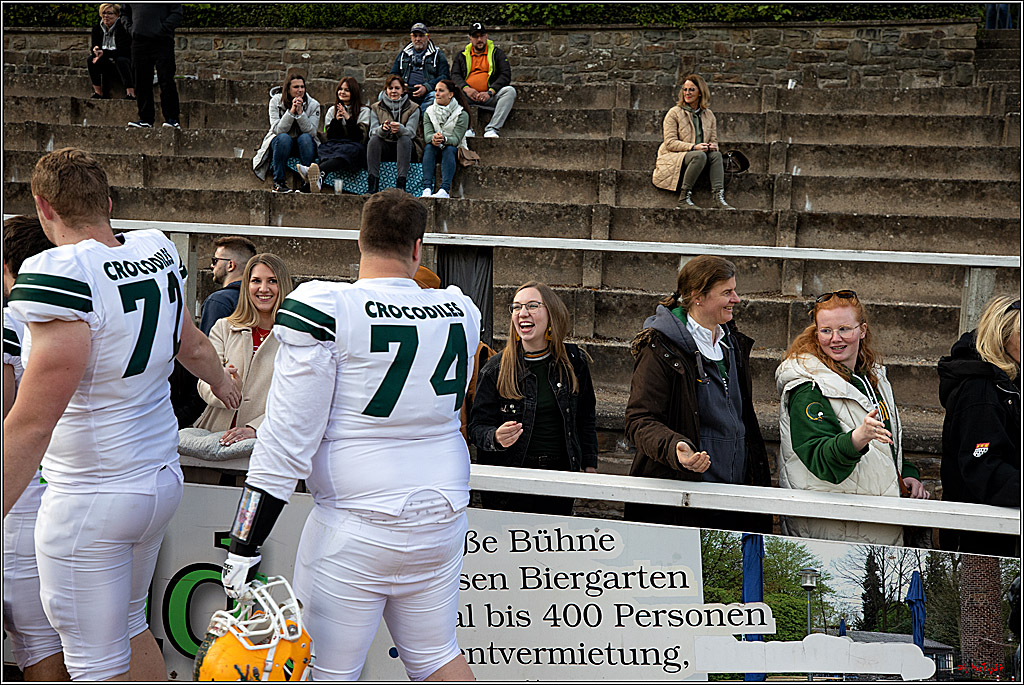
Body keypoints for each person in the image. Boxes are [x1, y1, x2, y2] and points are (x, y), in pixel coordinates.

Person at [220, 189, 480, 681]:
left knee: (326, 671)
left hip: (357, 522)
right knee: (438, 656)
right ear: (419, 248)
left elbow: (284, 445)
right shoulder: (460, 311)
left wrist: (244, 542)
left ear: (359, 240)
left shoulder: (329, 307)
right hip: (442, 516)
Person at [3, 148, 240, 680]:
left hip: (92, 496)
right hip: (156, 479)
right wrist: (224, 382)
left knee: (93, 665)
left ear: (44, 208)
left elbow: (32, 420)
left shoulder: (61, 272)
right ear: (107, 202)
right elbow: (192, 344)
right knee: (133, 630)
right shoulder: (156, 252)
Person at [624, 255, 771, 533]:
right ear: (697, 296)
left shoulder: (733, 344)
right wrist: (675, 448)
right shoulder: (659, 347)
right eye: (727, 292)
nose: (736, 299)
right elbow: (638, 421)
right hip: (682, 501)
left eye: (734, 290)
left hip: (734, 498)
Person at [776, 289, 930, 546]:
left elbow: (887, 445)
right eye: (825, 331)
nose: (835, 339)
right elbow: (821, 460)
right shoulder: (807, 388)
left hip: (873, 524)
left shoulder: (873, 377)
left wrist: (907, 475)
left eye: (845, 329)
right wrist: (858, 438)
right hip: (831, 531)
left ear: (863, 330)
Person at [2, 216, 69, 682]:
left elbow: (7, 413)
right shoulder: (62, 310)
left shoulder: (11, 317)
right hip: (52, 492)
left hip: (15, 496)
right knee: (41, 643)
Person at [469, 281, 598, 516]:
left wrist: (589, 464)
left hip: (558, 480)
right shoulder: (495, 368)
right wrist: (495, 437)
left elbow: (585, 417)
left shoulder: (574, 362)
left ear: (552, 313)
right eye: (516, 307)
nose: (522, 313)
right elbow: (476, 428)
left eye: (532, 305)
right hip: (509, 483)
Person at [938, 295, 1020, 556]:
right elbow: (983, 469)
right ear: (1002, 336)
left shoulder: (1010, 381)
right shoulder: (980, 391)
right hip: (983, 539)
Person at [194, 254, 293, 445]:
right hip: (214, 437)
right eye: (256, 281)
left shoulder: (295, 336)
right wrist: (221, 384)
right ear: (247, 286)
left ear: (283, 286)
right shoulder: (223, 328)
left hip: (267, 443)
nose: (263, 289)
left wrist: (258, 428)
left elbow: (299, 397)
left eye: (272, 281)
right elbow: (203, 383)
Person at [652, 74, 734, 210]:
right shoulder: (674, 113)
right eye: (685, 89)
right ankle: (683, 198)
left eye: (691, 90)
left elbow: (714, 140)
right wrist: (694, 147)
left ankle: (718, 197)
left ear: (700, 93)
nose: (687, 93)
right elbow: (670, 143)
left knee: (716, 156)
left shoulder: (709, 115)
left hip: (699, 156)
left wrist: (713, 146)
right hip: (675, 156)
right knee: (699, 155)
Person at [296, 77, 370, 194]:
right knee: (326, 148)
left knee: (347, 151)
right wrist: (336, 121)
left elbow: (360, 137)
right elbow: (331, 136)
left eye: (347, 90)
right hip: (336, 143)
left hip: (354, 145)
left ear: (353, 92)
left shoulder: (364, 111)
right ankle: (316, 179)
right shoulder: (332, 110)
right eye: (340, 89)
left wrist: (348, 118)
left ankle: (316, 173)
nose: (343, 92)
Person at [253, 71, 321, 194]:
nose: (300, 90)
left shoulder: (314, 105)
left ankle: (307, 182)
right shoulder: (275, 102)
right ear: (288, 89)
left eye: (302, 87)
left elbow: (312, 132)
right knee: (284, 138)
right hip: (281, 142)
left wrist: (301, 114)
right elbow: (278, 130)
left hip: (303, 143)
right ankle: (279, 183)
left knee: (306, 138)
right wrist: (291, 112)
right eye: (296, 87)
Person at [452, 22, 517, 138]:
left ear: (486, 36)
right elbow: (455, 75)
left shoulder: (497, 54)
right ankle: (466, 128)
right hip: (467, 96)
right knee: (451, 91)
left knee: (510, 91)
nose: (479, 39)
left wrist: (490, 92)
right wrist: (467, 89)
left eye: (482, 36)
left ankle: (492, 129)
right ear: (470, 38)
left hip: (490, 96)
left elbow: (505, 75)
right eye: (476, 36)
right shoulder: (461, 55)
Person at [123, 3, 182, 129]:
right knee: (141, 81)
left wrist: (162, 29)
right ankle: (145, 118)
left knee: (166, 79)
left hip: (163, 41)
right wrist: (131, 29)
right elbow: (124, 14)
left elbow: (176, 14)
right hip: (139, 42)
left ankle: (172, 119)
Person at [367, 74, 421, 195]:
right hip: (386, 146)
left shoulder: (413, 108)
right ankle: (372, 182)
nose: (393, 91)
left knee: (404, 139)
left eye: (397, 88)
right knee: (374, 140)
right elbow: (372, 132)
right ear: (386, 90)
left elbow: (411, 133)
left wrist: (400, 128)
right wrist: (383, 129)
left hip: (406, 149)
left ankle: (401, 184)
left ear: (403, 90)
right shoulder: (376, 107)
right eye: (390, 88)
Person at [420, 79, 470, 200]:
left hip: (454, 148)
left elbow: (457, 138)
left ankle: (444, 189)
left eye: (441, 91)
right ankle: (426, 188)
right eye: (436, 90)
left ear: (450, 94)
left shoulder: (462, 114)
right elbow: (427, 135)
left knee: (449, 149)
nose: (436, 94)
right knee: (429, 147)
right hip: (435, 147)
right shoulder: (429, 112)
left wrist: (444, 139)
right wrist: (433, 138)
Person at [200, 235, 258, 335]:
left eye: (215, 260)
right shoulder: (261, 298)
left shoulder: (218, 301)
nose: (212, 266)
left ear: (230, 265)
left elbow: (210, 345)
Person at [390, 22, 450, 117]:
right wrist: (400, 85)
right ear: (411, 37)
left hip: (428, 93)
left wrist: (426, 87)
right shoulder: (403, 54)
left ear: (428, 37)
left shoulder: (437, 54)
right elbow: (393, 74)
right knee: (383, 96)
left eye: (421, 36)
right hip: (406, 92)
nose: (418, 39)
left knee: (434, 98)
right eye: (415, 36)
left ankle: (419, 121)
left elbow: (445, 77)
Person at [88, 3, 135, 101]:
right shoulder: (97, 28)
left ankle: (130, 93)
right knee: (91, 60)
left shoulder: (123, 27)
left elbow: (124, 50)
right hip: (107, 62)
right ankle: (98, 92)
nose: (106, 16)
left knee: (121, 60)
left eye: (109, 13)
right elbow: (95, 46)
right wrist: (95, 49)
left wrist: (104, 53)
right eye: (104, 13)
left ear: (117, 15)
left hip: (124, 61)